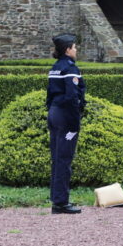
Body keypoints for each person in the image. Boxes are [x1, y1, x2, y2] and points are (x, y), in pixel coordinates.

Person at [47, 33, 86, 215]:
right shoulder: (70, 68)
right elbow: (72, 97)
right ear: (68, 49)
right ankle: (61, 203)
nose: (76, 50)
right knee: (64, 159)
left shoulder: (55, 67)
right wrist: (75, 123)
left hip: (54, 113)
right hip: (65, 117)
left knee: (57, 158)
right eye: (75, 47)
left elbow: (49, 95)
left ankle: (57, 199)